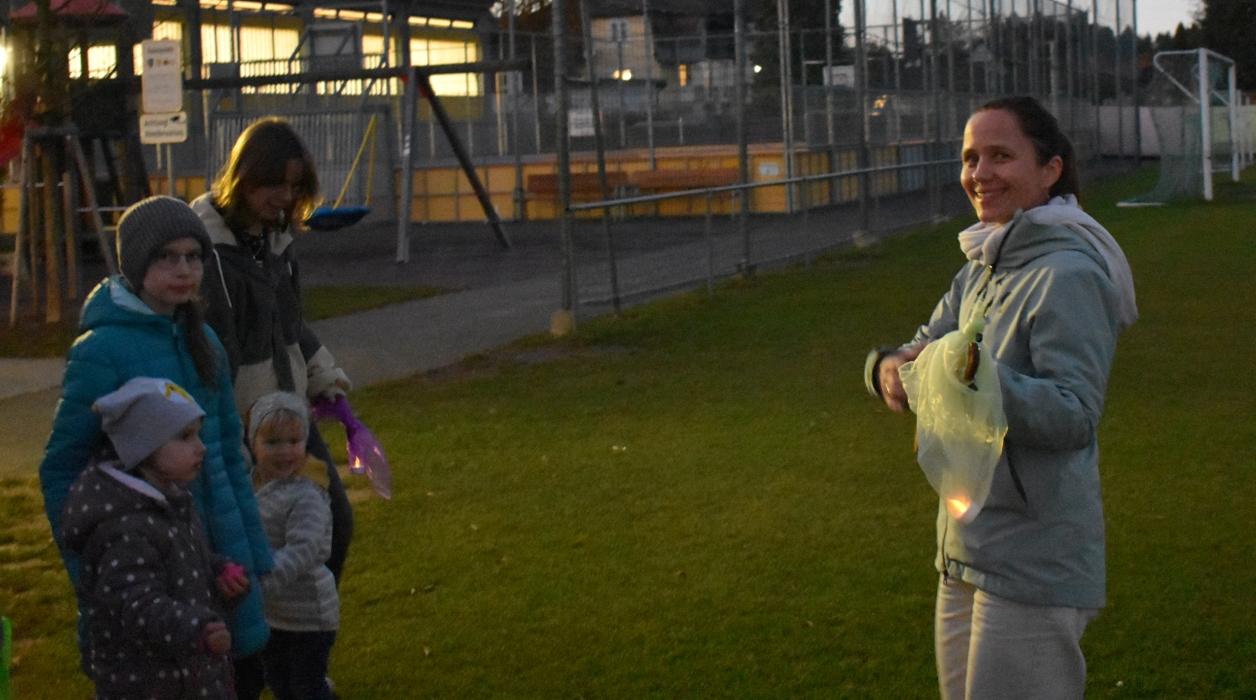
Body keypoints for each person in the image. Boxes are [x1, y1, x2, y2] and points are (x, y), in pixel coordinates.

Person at [864, 96, 1137, 699]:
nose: (979, 173)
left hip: (1032, 559)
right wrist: (885, 367)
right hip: (965, 542)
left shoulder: (1069, 274)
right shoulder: (982, 265)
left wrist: (976, 379)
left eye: (1000, 156)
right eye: (970, 158)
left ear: (1050, 169)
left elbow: (1074, 414)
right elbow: (923, 346)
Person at [39, 196, 274, 694]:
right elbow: (62, 467)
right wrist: (88, 568)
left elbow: (229, 453)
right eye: (168, 257)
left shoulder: (205, 341)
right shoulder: (102, 350)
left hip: (220, 555)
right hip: (143, 559)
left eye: (194, 257)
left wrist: (252, 551)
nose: (184, 270)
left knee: (238, 677)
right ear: (137, 263)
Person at [191, 117, 355, 592]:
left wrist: (322, 374)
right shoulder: (207, 252)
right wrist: (226, 430)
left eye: (295, 186)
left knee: (333, 523)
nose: (285, 196)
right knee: (254, 544)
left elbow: (290, 324)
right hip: (244, 425)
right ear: (245, 177)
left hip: (290, 414)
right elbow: (212, 345)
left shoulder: (276, 242)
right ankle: (268, 636)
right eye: (274, 184)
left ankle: (308, 632)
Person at [61, 377, 251, 699]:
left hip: (191, 678)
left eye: (198, 434)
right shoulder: (125, 529)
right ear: (143, 446)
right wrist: (196, 628)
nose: (201, 447)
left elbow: (180, 565)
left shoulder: (170, 502)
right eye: (185, 436)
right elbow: (134, 603)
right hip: (149, 685)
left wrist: (217, 572)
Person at [247, 392, 339, 700]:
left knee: (306, 688)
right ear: (253, 443)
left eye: (294, 441)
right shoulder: (252, 484)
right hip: (274, 614)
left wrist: (261, 583)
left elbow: (303, 550)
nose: (285, 451)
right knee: (279, 682)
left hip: (309, 615)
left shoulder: (307, 494)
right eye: (273, 442)